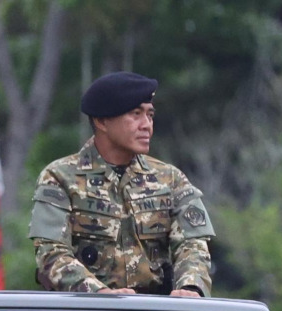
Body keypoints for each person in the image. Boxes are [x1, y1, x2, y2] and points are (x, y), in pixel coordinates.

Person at [30, 72, 214, 297]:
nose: (146, 125)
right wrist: (99, 293)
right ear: (102, 121)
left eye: (150, 115)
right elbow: (51, 253)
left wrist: (189, 287)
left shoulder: (170, 179)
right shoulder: (60, 178)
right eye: (135, 114)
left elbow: (192, 244)